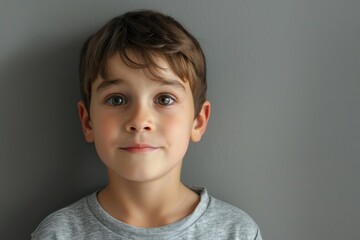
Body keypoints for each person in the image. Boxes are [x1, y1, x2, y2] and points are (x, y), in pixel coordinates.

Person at [32, 10, 262, 240]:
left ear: (198, 121)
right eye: (117, 99)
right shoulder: (57, 234)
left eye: (164, 99)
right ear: (87, 121)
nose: (139, 121)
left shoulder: (237, 232)